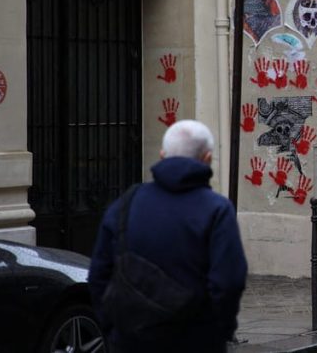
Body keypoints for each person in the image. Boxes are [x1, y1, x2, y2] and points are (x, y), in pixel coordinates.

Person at [88, 120, 248, 352]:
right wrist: (218, 332)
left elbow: (98, 274)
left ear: (162, 155)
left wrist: (113, 328)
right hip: (194, 339)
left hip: (132, 339)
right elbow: (229, 282)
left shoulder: (127, 203)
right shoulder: (216, 209)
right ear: (207, 158)